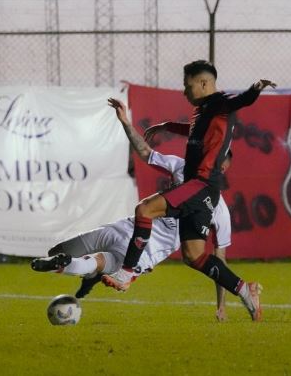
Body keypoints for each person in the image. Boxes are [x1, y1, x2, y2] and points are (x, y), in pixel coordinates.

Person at [102, 60, 275, 322]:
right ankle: (244, 289)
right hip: (203, 189)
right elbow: (194, 130)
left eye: (188, 85)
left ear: (204, 83)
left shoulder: (219, 103)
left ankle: (127, 273)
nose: (184, 91)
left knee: (144, 209)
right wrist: (167, 126)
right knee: (193, 256)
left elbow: (242, 100)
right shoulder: (204, 111)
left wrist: (256, 87)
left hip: (201, 184)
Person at [31, 103, 233, 321]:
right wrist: (221, 305)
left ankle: (82, 268)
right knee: (97, 262)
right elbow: (219, 263)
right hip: (142, 252)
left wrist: (126, 122)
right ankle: (87, 270)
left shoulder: (181, 167)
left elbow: (146, 152)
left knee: (64, 254)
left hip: (125, 227)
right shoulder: (218, 207)